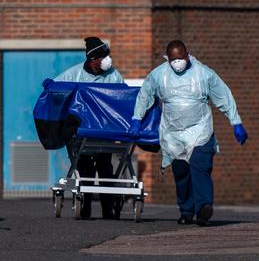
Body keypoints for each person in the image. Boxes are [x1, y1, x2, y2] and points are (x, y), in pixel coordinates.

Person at [128, 40, 248, 226]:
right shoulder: (159, 75)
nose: (178, 63)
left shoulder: (203, 74)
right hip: (173, 133)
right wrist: (137, 118)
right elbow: (145, 96)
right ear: (168, 59)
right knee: (181, 173)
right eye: (173, 59)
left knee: (200, 167)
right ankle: (186, 210)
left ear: (187, 55)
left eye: (181, 58)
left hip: (200, 129)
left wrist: (236, 122)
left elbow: (223, 96)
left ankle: (203, 207)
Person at [52, 36, 124, 219]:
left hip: (104, 130)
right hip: (82, 131)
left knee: (105, 167)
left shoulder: (113, 76)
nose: (108, 60)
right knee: (85, 169)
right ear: (93, 60)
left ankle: (108, 209)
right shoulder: (74, 74)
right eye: (103, 56)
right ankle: (85, 208)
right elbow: (56, 89)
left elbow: (122, 97)